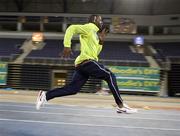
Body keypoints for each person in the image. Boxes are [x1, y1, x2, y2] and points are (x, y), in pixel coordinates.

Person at [36, 15, 137, 114]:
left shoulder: (94, 33)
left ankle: (45, 95)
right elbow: (71, 28)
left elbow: (95, 53)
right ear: (94, 20)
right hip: (87, 62)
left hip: (83, 65)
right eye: (100, 20)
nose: (102, 22)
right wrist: (67, 45)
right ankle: (121, 106)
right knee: (110, 75)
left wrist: (101, 41)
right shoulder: (89, 27)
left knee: (73, 89)